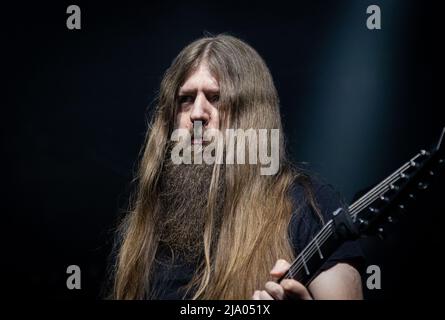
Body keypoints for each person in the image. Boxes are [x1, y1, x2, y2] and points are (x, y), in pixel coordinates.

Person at [110, 34, 364, 300]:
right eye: (185, 99)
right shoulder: (146, 225)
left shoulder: (311, 208)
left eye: (216, 97)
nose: (197, 113)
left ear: (252, 112)